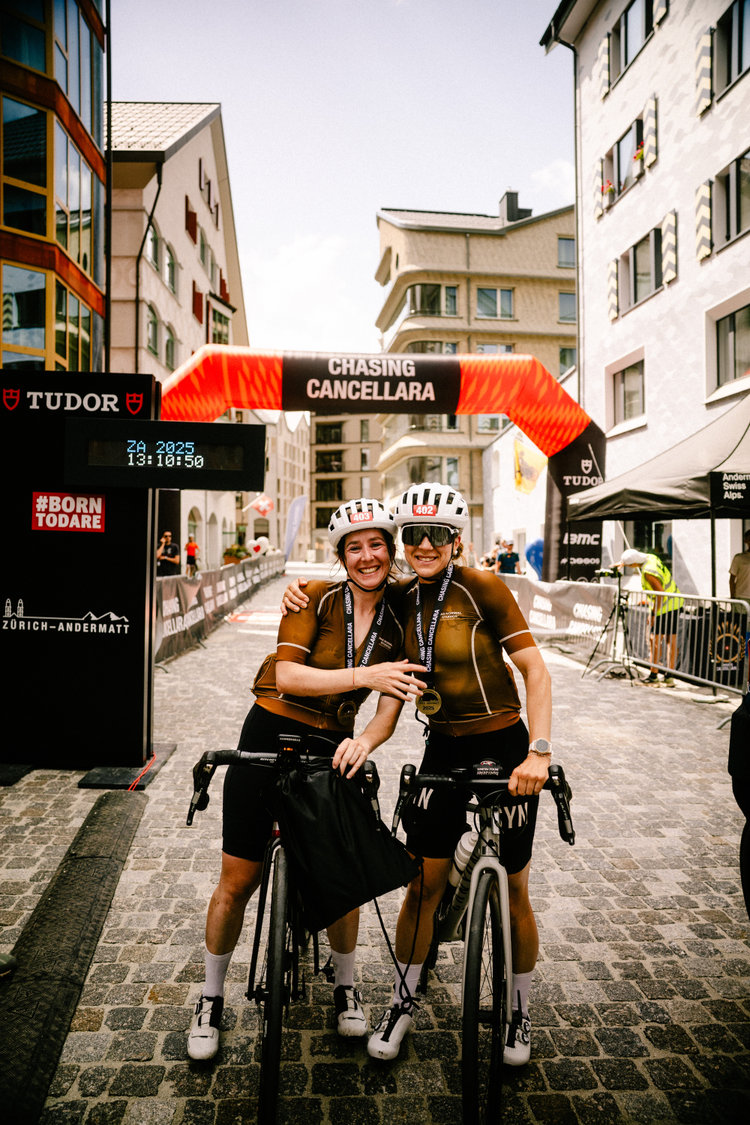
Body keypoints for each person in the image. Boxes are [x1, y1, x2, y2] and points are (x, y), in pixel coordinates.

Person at [282, 483, 552, 1068]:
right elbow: (374, 662)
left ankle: (519, 1009)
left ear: (455, 541)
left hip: (506, 746)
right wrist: (298, 594)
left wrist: (540, 752)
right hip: (443, 749)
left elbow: (535, 670)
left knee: (515, 891)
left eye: (436, 535)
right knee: (422, 887)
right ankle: (403, 998)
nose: (424, 545)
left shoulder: (483, 587)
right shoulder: (401, 598)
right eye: (413, 535)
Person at [187, 499, 427, 1061]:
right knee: (237, 879)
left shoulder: (404, 612)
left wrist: (366, 742)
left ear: (390, 551)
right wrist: (363, 674)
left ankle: (346, 986)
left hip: (333, 744)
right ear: (340, 555)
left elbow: (391, 702)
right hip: (270, 729)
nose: (367, 556)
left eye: (376, 545)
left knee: (340, 876)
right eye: (354, 547)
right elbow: (288, 673)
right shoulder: (315, 597)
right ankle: (210, 997)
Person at [616, 548, 683, 686]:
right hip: (674, 603)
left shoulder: (648, 572)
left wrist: (653, 614)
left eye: (629, 565)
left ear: (634, 564)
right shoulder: (649, 558)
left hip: (665, 607)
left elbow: (660, 593)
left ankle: (653, 676)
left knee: (654, 640)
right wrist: (623, 562)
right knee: (671, 640)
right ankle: (669, 677)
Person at [729, 529, 750, 600]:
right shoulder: (739, 558)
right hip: (742, 597)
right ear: (746, 541)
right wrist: (732, 597)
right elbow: (732, 579)